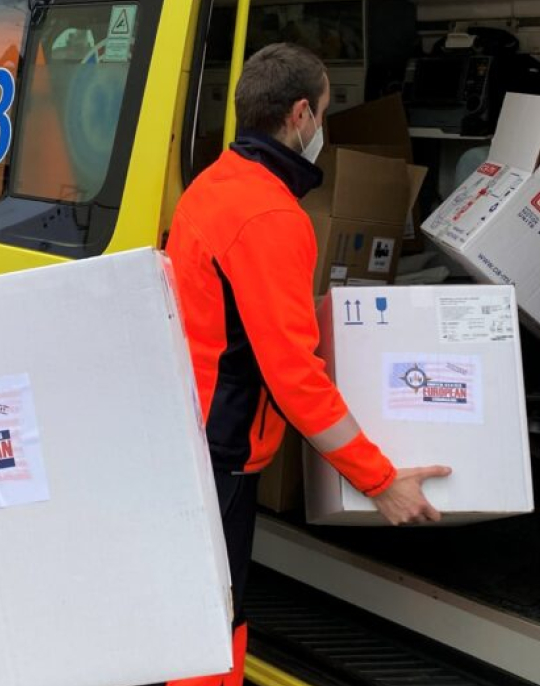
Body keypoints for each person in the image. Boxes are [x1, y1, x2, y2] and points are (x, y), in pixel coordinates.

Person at [163, 43, 449, 686]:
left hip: (196, 426)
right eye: (324, 110)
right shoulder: (271, 213)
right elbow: (291, 376)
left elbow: (227, 310)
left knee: (201, 606)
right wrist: (380, 480)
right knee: (217, 614)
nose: (323, 124)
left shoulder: (216, 183)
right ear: (300, 115)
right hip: (225, 445)